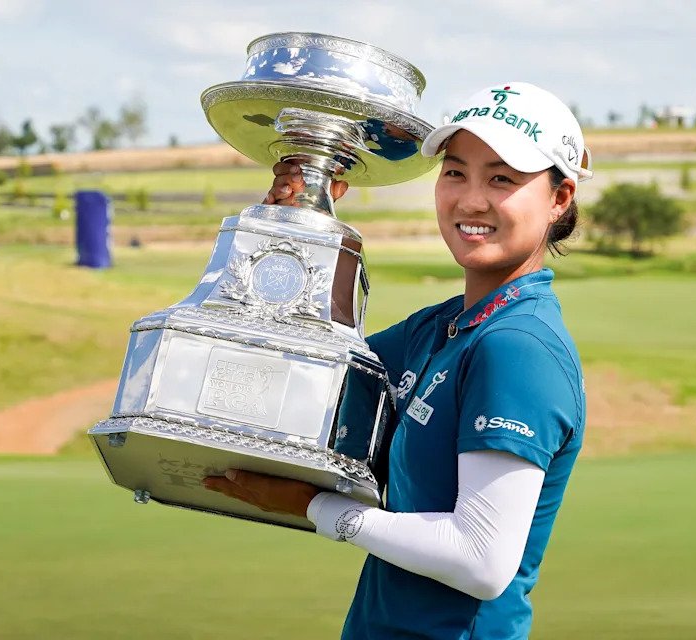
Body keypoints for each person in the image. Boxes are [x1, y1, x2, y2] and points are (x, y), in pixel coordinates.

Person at [204, 81, 593, 640]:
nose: (471, 200)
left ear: (560, 198)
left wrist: (316, 508)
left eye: (502, 178)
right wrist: (296, 228)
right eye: (455, 172)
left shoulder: (517, 348)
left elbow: (480, 560)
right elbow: (305, 366)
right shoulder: (442, 327)